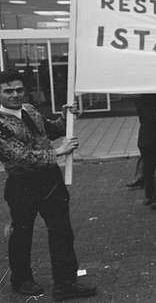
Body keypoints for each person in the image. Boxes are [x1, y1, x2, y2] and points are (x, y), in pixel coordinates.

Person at [0, 70, 97, 300]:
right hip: (22, 183)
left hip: (50, 181)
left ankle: (66, 284)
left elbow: (51, 130)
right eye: (8, 91)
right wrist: (58, 152)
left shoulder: (30, 110)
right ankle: (21, 280)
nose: (15, 95)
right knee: (22, 233)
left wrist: (66, 118)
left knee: (62, 232)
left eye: (19, 90)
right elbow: (20, 156)